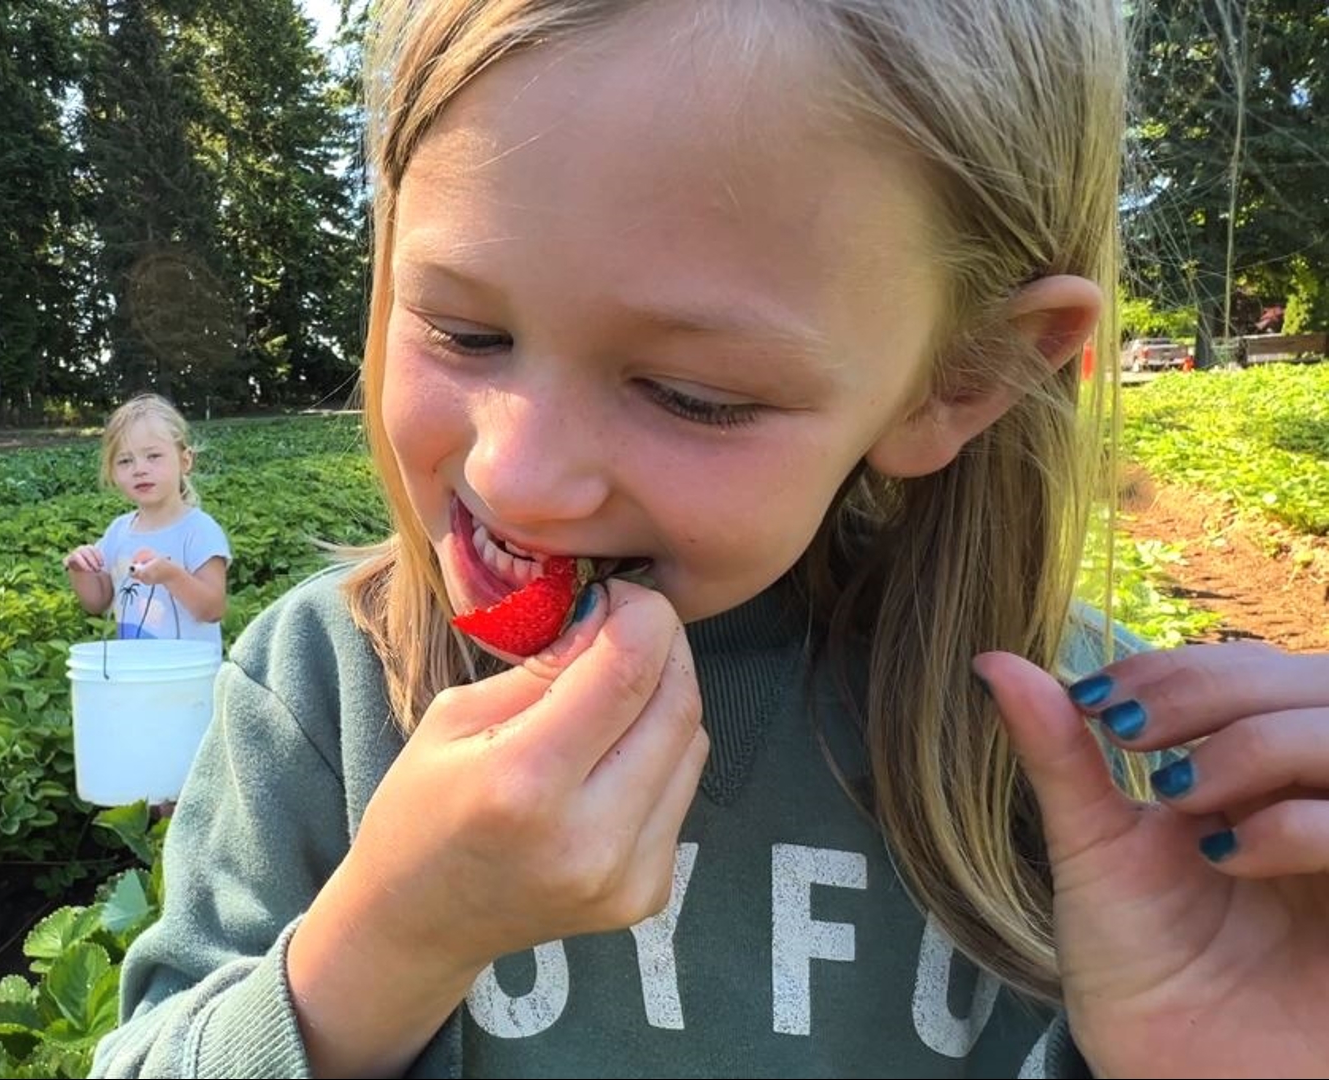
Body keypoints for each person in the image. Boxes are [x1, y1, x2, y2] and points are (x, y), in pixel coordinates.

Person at [92, 2, 1329, 1077]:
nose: (514, 474)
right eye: (463, 333)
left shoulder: (1093, 774)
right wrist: (385, 944)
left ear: (962, 377)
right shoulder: (328, 688)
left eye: (694, 394)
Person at [63, 393, 231, 654]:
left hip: (188, 681)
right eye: (125, 461)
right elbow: (97, 602)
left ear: (185, 461)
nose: (139, 469)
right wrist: (79, 569)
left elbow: (212, 609)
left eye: (153, 456)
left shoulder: (199, 530)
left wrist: (170, 575)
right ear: (112, 472)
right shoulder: (118, 531)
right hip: (138, 677)